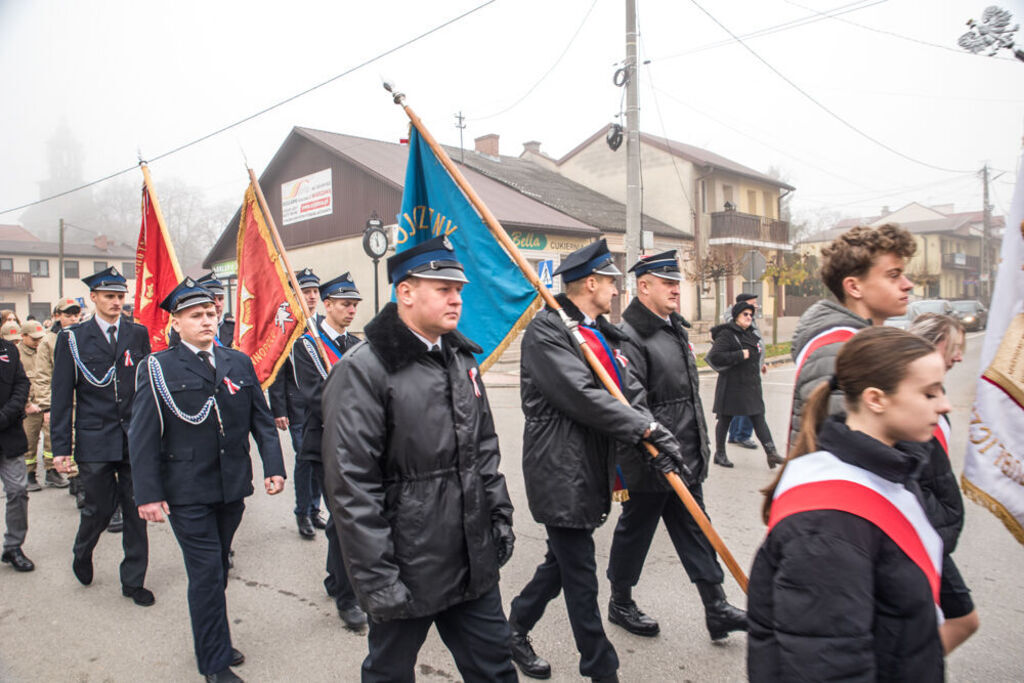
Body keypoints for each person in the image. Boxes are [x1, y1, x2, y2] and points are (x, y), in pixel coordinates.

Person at [322, 236, 517, 682]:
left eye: (460, 290)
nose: (456, 299)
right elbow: (352, 487)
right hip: (406, 565)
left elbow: (483, 448)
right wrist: (377, 578)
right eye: (444, 288)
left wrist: (499, 515)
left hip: (471, 556)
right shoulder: (363, 369)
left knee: (496, 670)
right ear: (405, 292)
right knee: (390, 673)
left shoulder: (461, 358)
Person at [507, 239, 684, 682]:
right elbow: (581, 397)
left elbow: (630, 391)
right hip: (560, 468)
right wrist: (642, 429)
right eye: (611, 282)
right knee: (581, 573)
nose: (616, 291)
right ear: (590, 282)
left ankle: (513, 628)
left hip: (593, 464)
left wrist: (655, 436)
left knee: (562, 564)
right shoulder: (548, 331)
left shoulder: (601, 331)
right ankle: (601, 669)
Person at [748, 326, 949, 681]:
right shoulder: (828, 524)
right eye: (929, 393)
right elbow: (827, 661)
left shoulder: (891, 470)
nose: (945, 405)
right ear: (876, 399)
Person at [129, 278, 286, 683]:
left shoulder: (238, 362)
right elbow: (143, 434)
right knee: (206, 574)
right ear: (176, 323)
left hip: (232, 487)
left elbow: (262, 422)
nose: (206, 321)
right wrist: (147, 493)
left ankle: (216, 639)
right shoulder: (158, 367)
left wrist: (273, 467)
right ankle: (214, 664)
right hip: (186, 491)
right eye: (195, 316)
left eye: (211, 314)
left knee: (217, 566)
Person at [606, 251, 746, 642]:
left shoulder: (674, 329)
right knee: (636, 528)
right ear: (643, 286)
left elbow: (686, 397)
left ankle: (715, 606)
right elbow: (633, 403)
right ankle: (620, 601)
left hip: (682, 453)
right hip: (651, 457)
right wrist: (656, 449)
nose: (675, 290)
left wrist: (693, 448)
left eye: (676, 283)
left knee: (696, 528)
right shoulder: (629, 336)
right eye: (666, 283)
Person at [51, 266, 153, 604]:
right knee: (98, 507)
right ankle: (83, 551)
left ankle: (133, 580)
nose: (116, 302)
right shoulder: (73, 338)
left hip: (133, 437)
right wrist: (61, 448)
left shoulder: (137, 334)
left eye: (121, 296)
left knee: (137, 508)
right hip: (95, 437)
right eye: (109, 296)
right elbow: (62, 396)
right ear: (93, 298)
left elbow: (146, 388)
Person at [788, 224, 916, 449]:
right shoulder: (840, 352)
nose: (908, 285)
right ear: (854, 287)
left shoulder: (858, 343)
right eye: (894, 275)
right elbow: (853, 450)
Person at [291, 272, 366, 629]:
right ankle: (346, 596)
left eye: (354, 305)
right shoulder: (307, 345)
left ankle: (337, 581)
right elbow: (316, 396)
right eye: (344, 304)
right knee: (342, 521)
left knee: (346, 521)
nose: (351, 310)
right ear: (327, 304)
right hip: (324, 444)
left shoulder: (356, 343)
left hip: (357, 444)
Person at [908, 313, 978, 654]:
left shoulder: (933, 390)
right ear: (935, 343)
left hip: (929, 528)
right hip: (920, 528)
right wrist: (931, 519)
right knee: (963, 617)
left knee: (955, 618)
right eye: (955, 347)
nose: (960, 356)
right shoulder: (907, 391)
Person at [269, 268, 326, 539]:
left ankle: (315, 509)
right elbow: (277, 370)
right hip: (297, 407)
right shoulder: (286, 327)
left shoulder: (325, 325)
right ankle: (302, 512)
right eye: (306, 291)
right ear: (295, 294)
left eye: (315, 291)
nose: (312, 296)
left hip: (324, 407)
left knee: (321, 458)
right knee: (305, 458)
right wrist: (278, 409)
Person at [708, 301, 783, 469]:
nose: (749, 317)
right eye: (745, 314)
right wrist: (739, 355)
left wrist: (759, 363)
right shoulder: (727, 334)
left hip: (750, 385)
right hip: (732, 385)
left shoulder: (750, 333)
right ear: (736, 317)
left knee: (758, 418)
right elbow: (716, 357)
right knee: (725, 419)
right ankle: (719, 454)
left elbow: (755, 353)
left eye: (750, 314)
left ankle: (771, 453)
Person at [19, 320, 67, 491]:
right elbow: (18, 383)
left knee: (51, 441)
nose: (38, 342)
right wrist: (26, 404)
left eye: (40, 338)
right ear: (23, 336)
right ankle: (29, 474)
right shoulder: (17, 354)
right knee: (29, 441)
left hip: (46, 403)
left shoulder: (45, 349)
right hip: (29, 407)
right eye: (34, 339)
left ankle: (51, 471)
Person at [0, 326, 33, 572]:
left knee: (18, 491)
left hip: (8, 432)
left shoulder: (9, 350)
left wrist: (5, 415)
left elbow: (21, 385)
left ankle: (13, 546)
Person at [49, 298, 85, 505]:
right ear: (57, 316)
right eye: (67, 315)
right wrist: (46, 406)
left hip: (81, 400)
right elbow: (43, 376)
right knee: (68, 441)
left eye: (75, 315)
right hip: (63, 400)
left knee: (81, 441)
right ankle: (76, 482)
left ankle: (81, 481)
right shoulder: (50, 340)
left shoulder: (83, 337)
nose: (72, 319)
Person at [724, 293, 765, 450]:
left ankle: (735, 435)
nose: (755, 307)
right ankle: (743, 435)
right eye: (753, 304)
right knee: (750, 404)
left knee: (740, 402)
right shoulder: (737, 319)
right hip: (744, 368)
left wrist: (762, 361)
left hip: (752, 365)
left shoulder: (748, 317)